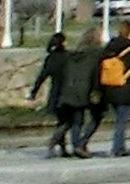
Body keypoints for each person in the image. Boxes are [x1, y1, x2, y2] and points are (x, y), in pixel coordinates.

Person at [33, 26, 91, 157]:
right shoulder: (67, 57)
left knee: (62, 121)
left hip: (54, 94)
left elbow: (42, 76)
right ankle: (54, 141)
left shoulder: (50, 58)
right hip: (67, 93)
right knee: (71, 122)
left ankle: (63, 149)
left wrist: (33, 92)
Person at [94, 29, 130, 156]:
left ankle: (83, 142)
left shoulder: (109, 47)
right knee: (121, 121)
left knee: (114, 118)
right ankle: (118, 148)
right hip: (124, 89)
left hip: (108, 88)